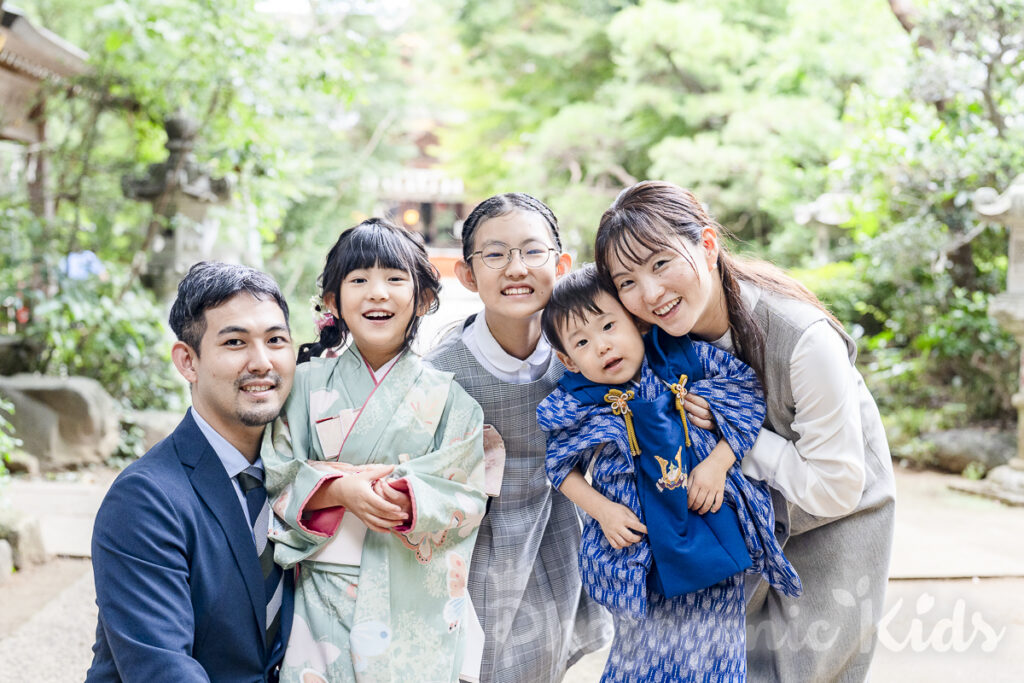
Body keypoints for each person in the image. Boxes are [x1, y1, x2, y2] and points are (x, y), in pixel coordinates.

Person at [595, 180, 896, 682]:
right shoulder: (655, 340)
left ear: (708, 245)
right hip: (736, 525)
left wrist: (739, 438)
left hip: (833, 522)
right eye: (626, 281)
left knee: (806, 668)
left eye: (660, 263)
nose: (650, 294)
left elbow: (836, 487)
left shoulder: (803, 339)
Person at [536, 265, 800, 682]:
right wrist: (602, 511)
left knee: (716, 654)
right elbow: (559, 466)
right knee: (640, 657)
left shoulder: (682, 359)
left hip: (707, 529)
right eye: (583, 342)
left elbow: (747, 395)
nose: (602, 346)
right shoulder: (577, 404)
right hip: (636, 551)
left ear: (637, 322)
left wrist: (717, 464)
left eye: (609, 326)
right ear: (568, 360)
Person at [262, 218, 488, 683]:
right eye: (359, 279)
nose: (377, 292)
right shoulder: (301, 386)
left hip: (411, 599)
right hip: (322, 595)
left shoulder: (452, 400)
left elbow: (467, 497)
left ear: (423, 298)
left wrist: (409, 498)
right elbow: (276, 470)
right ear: (333, 302)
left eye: (395, 278)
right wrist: (338, 489)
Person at [424, 194, 612, 683]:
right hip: (475, 560)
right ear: (467, 274)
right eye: (495, 254)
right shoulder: (441, 375)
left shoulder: (585, 357)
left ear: (561, 264)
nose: (516, 268)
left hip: (556, 546)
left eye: (533, 251)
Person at [86, 261, 296, 682]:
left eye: (276, 340)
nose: (261, 362)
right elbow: (162, 670)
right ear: (188, 362)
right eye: (235, 342)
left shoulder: (305, 473)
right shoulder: (146, 499)